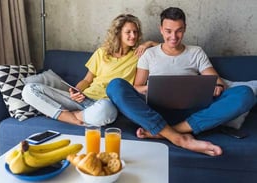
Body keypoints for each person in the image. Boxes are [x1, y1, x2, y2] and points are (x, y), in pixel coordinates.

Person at [106, 7, 256, 156]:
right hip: (156, 111)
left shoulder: (196, 52)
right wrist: (148, 89)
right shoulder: (149, 54)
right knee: (115, 86)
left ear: (184, 29)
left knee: (245, 93)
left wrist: (217, 86)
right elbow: (136, 87)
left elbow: (218, 81)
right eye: (168, 31)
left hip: (193, 113)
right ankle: (179, 138)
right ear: (161, 29)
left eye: (179, 30)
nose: (174, 36)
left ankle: (169, 131)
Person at [22, 14, 155, 126]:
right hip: (84, 98)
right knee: (29, 89)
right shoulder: (102, 53)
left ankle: (72, 116)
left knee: (107, 110)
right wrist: (76, 91)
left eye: (135, 32)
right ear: (118, 33)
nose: (133, 36)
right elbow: (87, 80)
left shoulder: (139, 55)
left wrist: (148, 43)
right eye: (128, 32)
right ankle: (71, 117)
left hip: (106, 103)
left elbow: (168, 46)